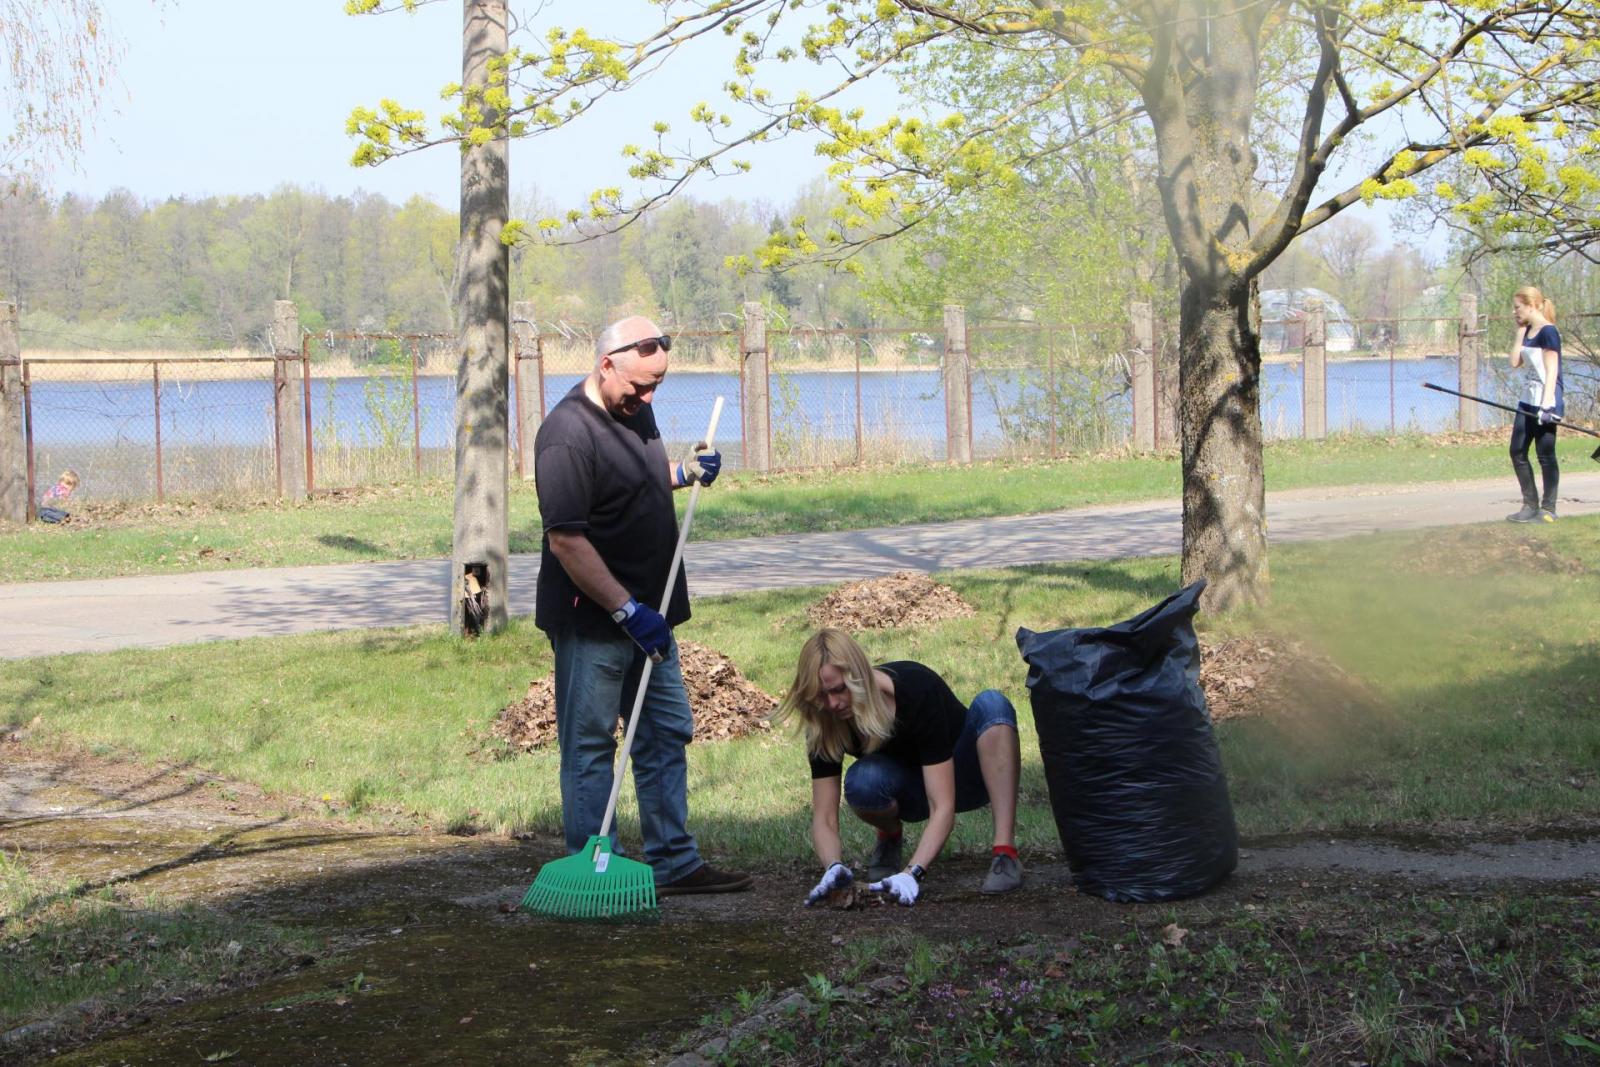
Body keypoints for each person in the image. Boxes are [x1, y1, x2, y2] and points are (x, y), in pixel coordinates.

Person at [533, 315, 751, 897]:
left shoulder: (636, 408)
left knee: (663, 733)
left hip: (652, 617)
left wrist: (683, 472)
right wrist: (628, 611)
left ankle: (675, 864)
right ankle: (592, 871)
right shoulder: (566, 436)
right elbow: (567, 540)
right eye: (639, 386)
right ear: (607, 364)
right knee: (590, 744)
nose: (648, 397)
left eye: (657, 386)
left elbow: (637, 483)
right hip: (597, 622)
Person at [777, 627, 1025, 908]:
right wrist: (832, 866)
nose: (832, 703)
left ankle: (1005, 854)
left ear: (859, 676)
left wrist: (912, 874)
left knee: (993, 704)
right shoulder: (824, 722)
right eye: (822, 695)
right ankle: (890, 836)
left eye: (839, 690)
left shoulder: (915, 688)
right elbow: (824, 818)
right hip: (911, 792)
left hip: (971, 775)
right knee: (863, 780)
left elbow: (943, 807)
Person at [1506, 286, 1564, 523]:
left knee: (1545, 454)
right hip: (1527, 400)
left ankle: (1548, 509)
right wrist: (1520, 333)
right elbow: (1514, 362)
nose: (1514, 311)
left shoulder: (1549, 332)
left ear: (1531, 305)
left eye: (1517, 307)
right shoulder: (1528, 330)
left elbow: (1552, 371)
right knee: (1517, 451)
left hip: (1546, 400)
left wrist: (1548, 405)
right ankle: (1529, 504)